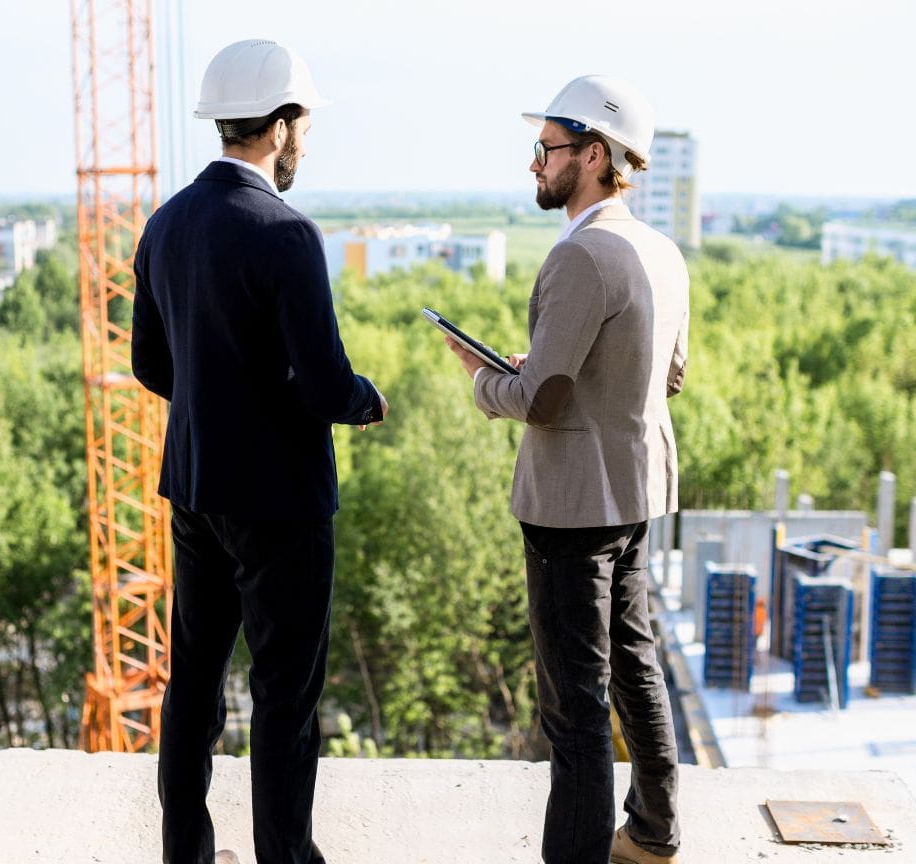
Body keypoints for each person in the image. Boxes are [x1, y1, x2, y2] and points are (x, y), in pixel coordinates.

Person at [131, 38, 387, 864]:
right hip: (279, 503)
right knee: (284, 697)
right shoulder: (286, 234)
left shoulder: (166, 223)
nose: (305, 141)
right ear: (278, 126)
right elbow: (322, 383)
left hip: (196, 488)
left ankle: (187, 856)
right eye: (304, 125)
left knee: (194, 687)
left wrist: (218, 400)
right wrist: (364, 400)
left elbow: (148, 363)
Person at [444, 74, 689, 864]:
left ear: (593, 154)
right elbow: (667, 375)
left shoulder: (582, 256)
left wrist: (483, 379)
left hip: (570, 511)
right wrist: (551, 368)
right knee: (634, 665)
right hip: (636, 493)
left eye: (546, 150)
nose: (534, 166)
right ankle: (654, 831)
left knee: (575, 709)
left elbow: (542, 402)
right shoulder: (660, 250)